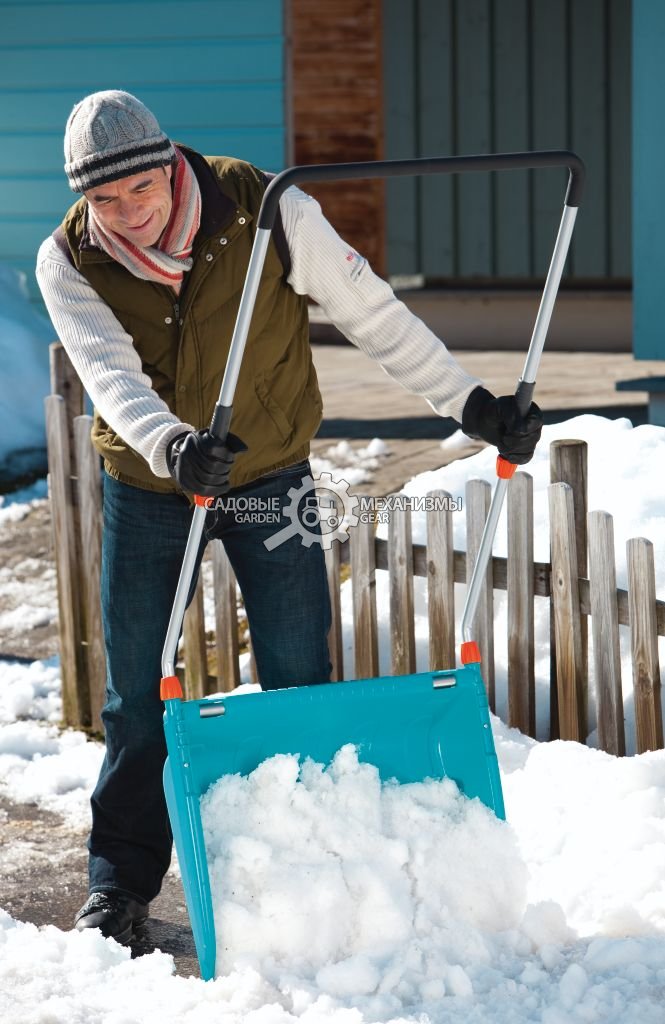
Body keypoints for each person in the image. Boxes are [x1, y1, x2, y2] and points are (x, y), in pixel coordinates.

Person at [36, 90, 542, 945]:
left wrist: (470, 404)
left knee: (300, 674)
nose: (124, 215)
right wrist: (171, 446)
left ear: (169, 164)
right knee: (134, 695)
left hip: (270, 473)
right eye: (102, 200)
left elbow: (372, 314)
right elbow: (109, 375)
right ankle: (119, 885)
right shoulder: (69, 259)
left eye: (138, 192)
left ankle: (316, 868)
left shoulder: (268, 210)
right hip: (153, 485)